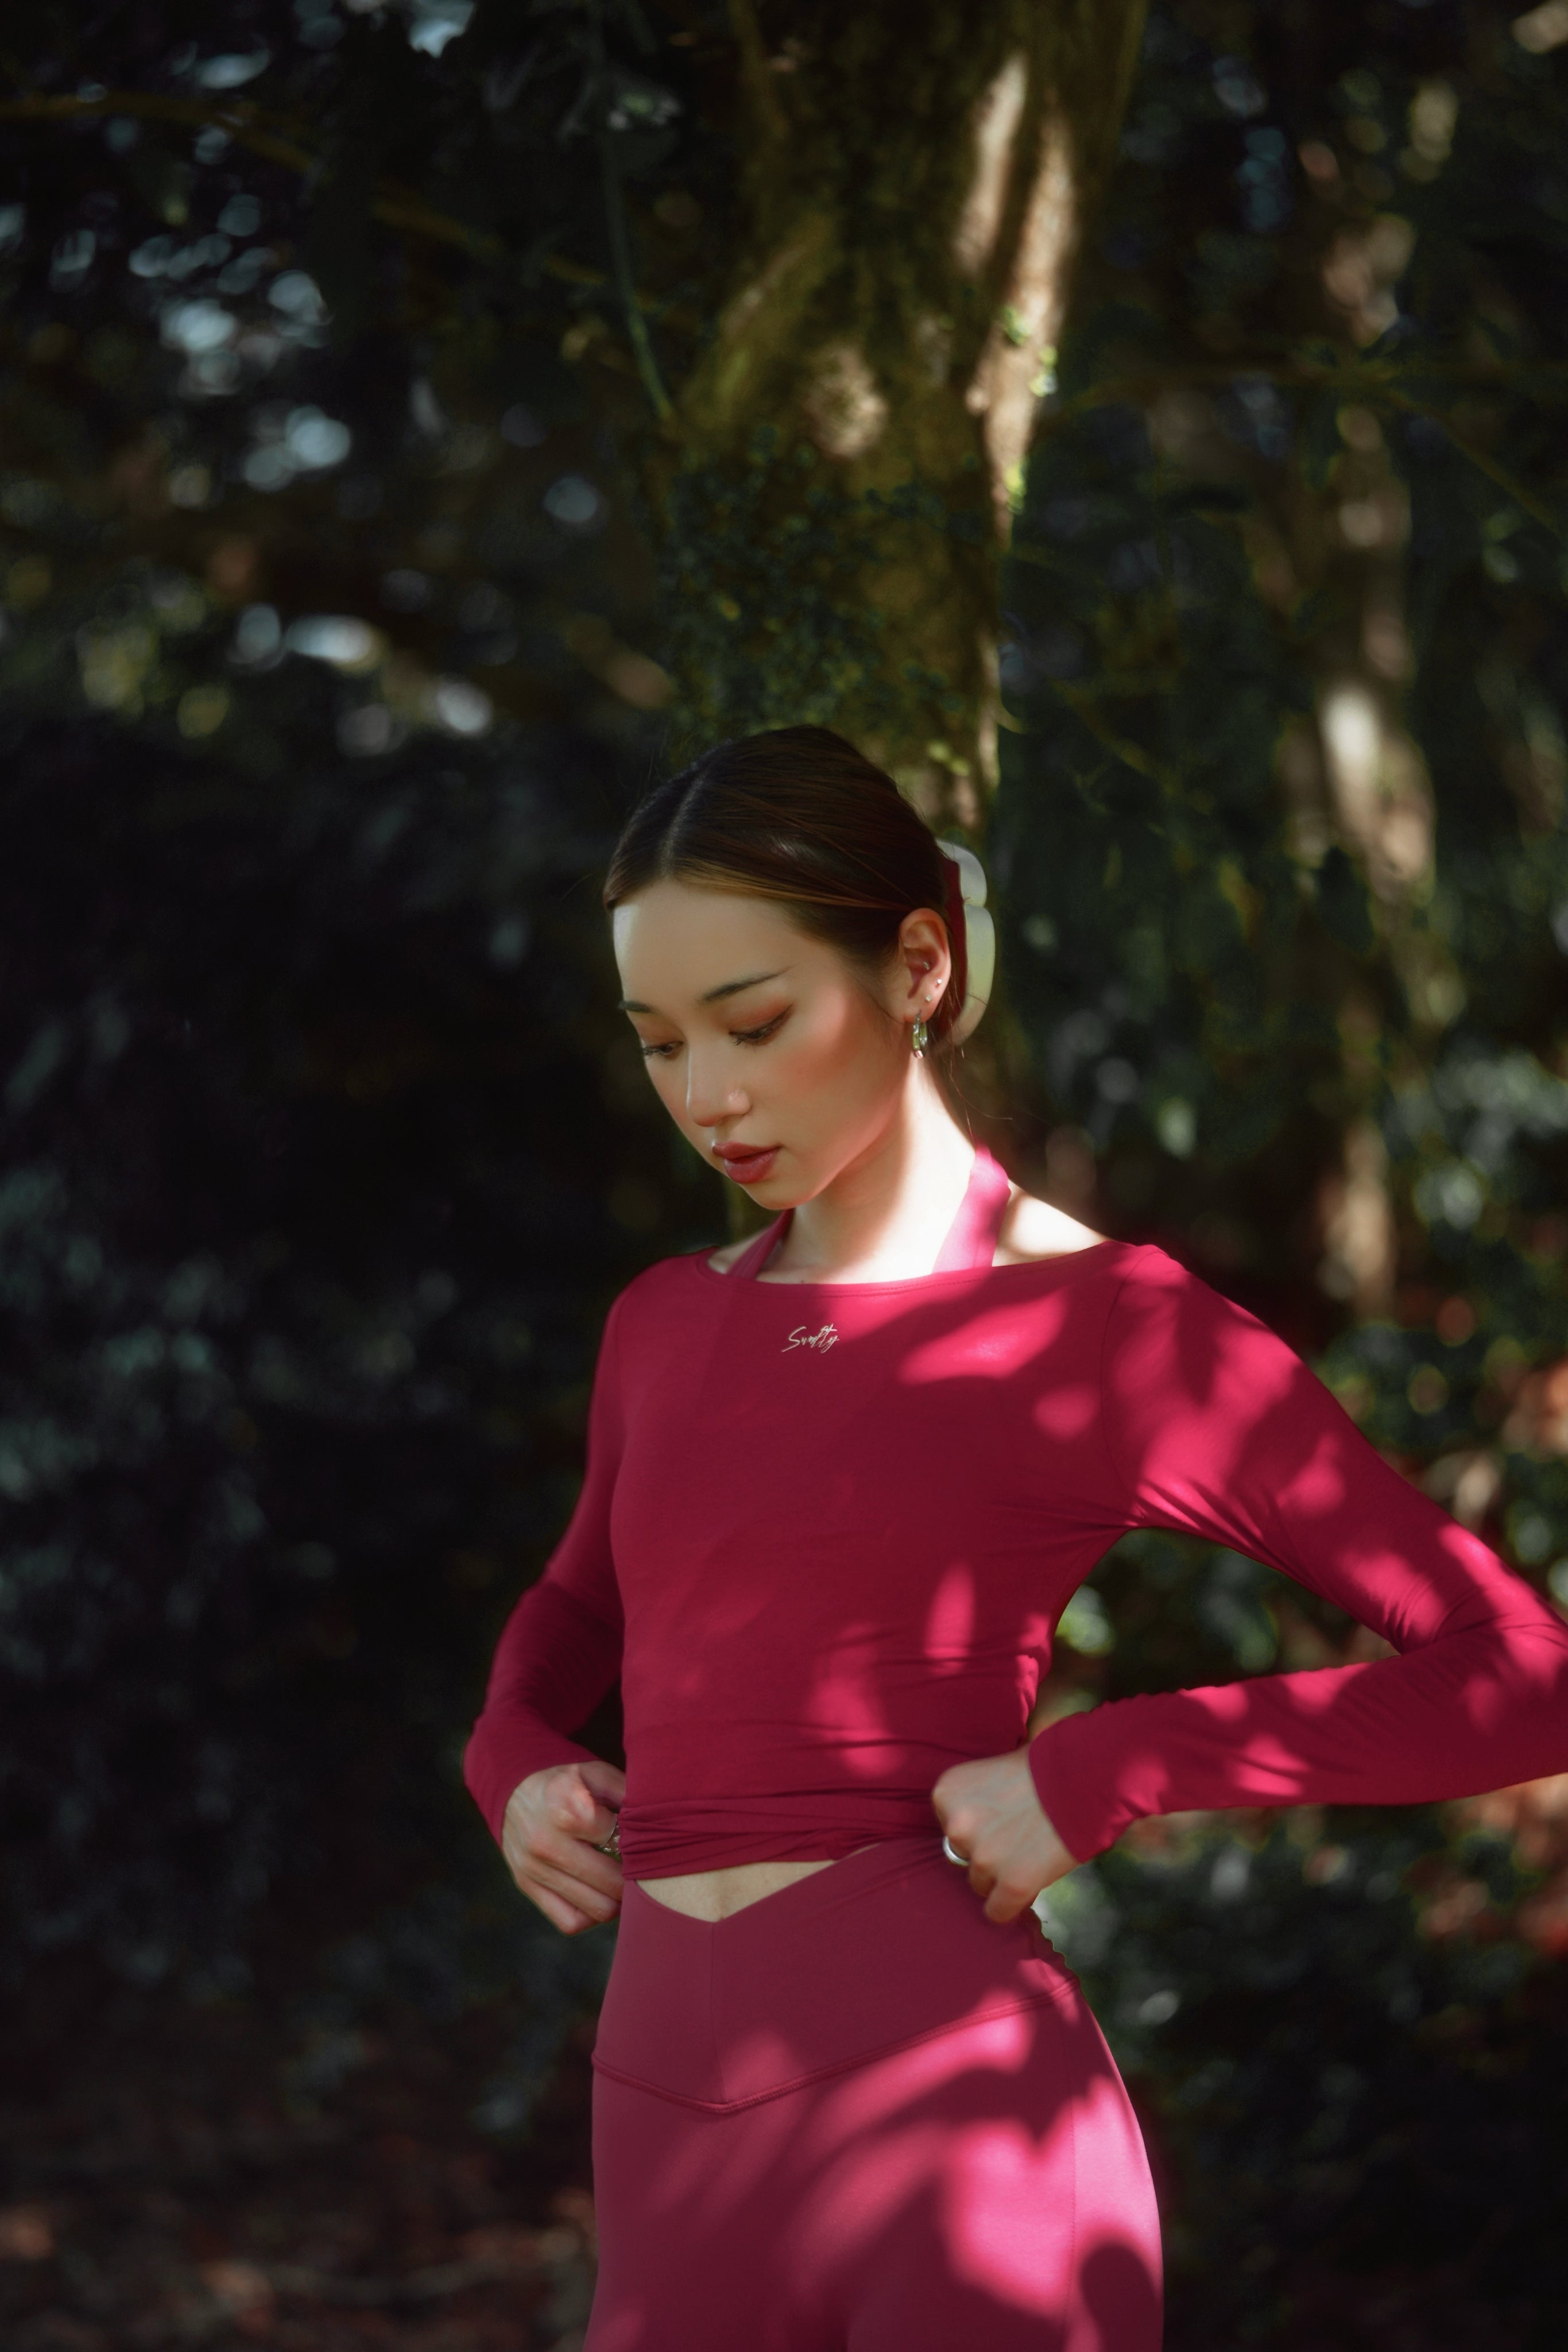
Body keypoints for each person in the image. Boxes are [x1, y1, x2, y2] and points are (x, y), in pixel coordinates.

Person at [464, 726, 1568, 2351]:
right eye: (660, 1042)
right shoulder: (660, 1324)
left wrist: (1113, 1763)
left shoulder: (1109, 1330)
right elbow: (577, 1611)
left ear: (919, 965)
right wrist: (506, 1755)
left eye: (754, 1024)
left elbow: (1524, 1677)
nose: (708, 1096)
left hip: (963, 2143)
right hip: (662, 2138)